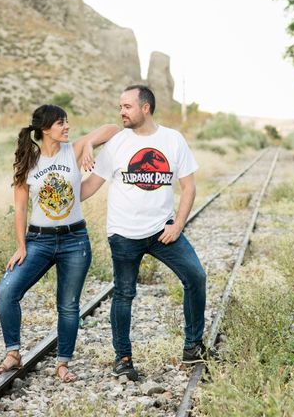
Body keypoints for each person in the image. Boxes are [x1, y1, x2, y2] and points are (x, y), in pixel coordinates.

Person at [81, 85, 209, 381]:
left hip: (162, 230)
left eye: (127, 106)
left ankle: (193, 347)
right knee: (124, 294)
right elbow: (91, 185)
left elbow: (189, 186)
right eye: (120, 107)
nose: (121, 112)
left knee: (195, 277)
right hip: (124, 234)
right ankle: (123, 358)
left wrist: (177, 225)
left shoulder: (173, 140)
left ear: (145, 107)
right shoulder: (116, 143)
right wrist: (61, 198)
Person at [0, 104, 119, 383]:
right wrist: (21, 245)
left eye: (67, 122)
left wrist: (87, 144)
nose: (67, 127)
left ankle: (63, 363)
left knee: (68, 305)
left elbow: (112, 129)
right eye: (61, 123)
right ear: (44, 129)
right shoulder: (28, 162)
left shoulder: (72, 150)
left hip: (75, 240)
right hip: (38, 240)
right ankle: (13, 352)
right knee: (7, 291)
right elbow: (20, 209)